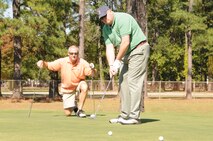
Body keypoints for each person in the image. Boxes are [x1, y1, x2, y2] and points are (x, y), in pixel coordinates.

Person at [97, 5, 150, 125]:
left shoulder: (123, 19)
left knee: (133, 81)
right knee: (123, 82)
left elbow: (126, 42)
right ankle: (124, 115)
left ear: (110, 11)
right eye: (102, 18)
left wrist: (117, 60)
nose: (104, 19)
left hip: (139, 49)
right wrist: (111, 65)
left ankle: (134, 117)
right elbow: (109, 47)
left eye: (105, 16)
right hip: (126, 54)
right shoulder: (105, 29)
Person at [36, 45, 96, 118]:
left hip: (78, 85)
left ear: (78, 54)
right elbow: (49, 65)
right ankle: (74, 106)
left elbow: (91, 73)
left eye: (75, 53)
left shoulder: (83, 62)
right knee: (67, 113)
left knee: (84, 86)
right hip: (67, 89)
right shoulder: (62, 61)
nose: (74, 55)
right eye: (71, 53)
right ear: (68, 54)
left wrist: (93, 69)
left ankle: (80, 110)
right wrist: (43, 63)